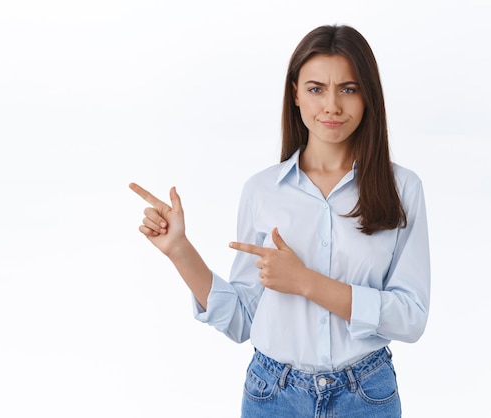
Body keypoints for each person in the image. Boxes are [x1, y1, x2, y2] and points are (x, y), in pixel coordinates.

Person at [130, 24, 430, 418]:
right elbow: (242, 320)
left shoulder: (402, 188)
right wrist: (179, 251)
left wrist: (306, 282)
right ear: (295, 94)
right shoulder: (261, 191)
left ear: (368, 95)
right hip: (274, 395)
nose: (332, 106)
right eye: (316, 88)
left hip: (366, 394)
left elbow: (410, 318)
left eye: (349, 89)